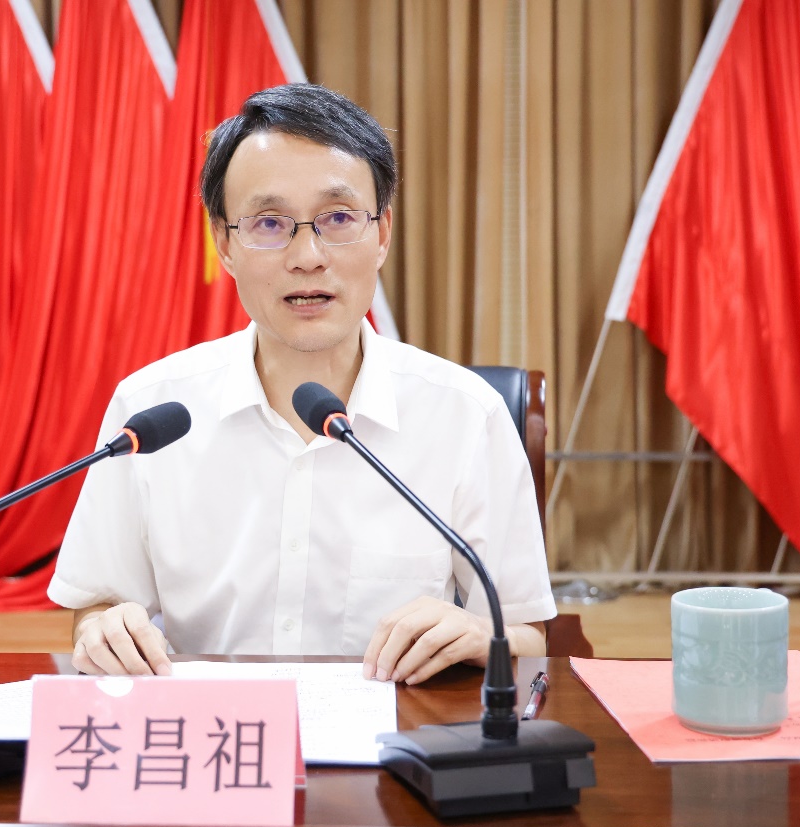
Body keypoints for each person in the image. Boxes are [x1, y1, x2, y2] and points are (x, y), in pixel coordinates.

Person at [48, 83, 554, 684]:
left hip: (395, 734)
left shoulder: (466, 415)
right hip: (216, 732)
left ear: (382, 233)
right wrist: (103, 629)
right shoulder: (150, 410)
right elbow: (96, 606)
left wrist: (479, 633)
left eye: (338, 218)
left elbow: (525, 631)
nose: (308, 256)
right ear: (224, 243)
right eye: (269, 222)